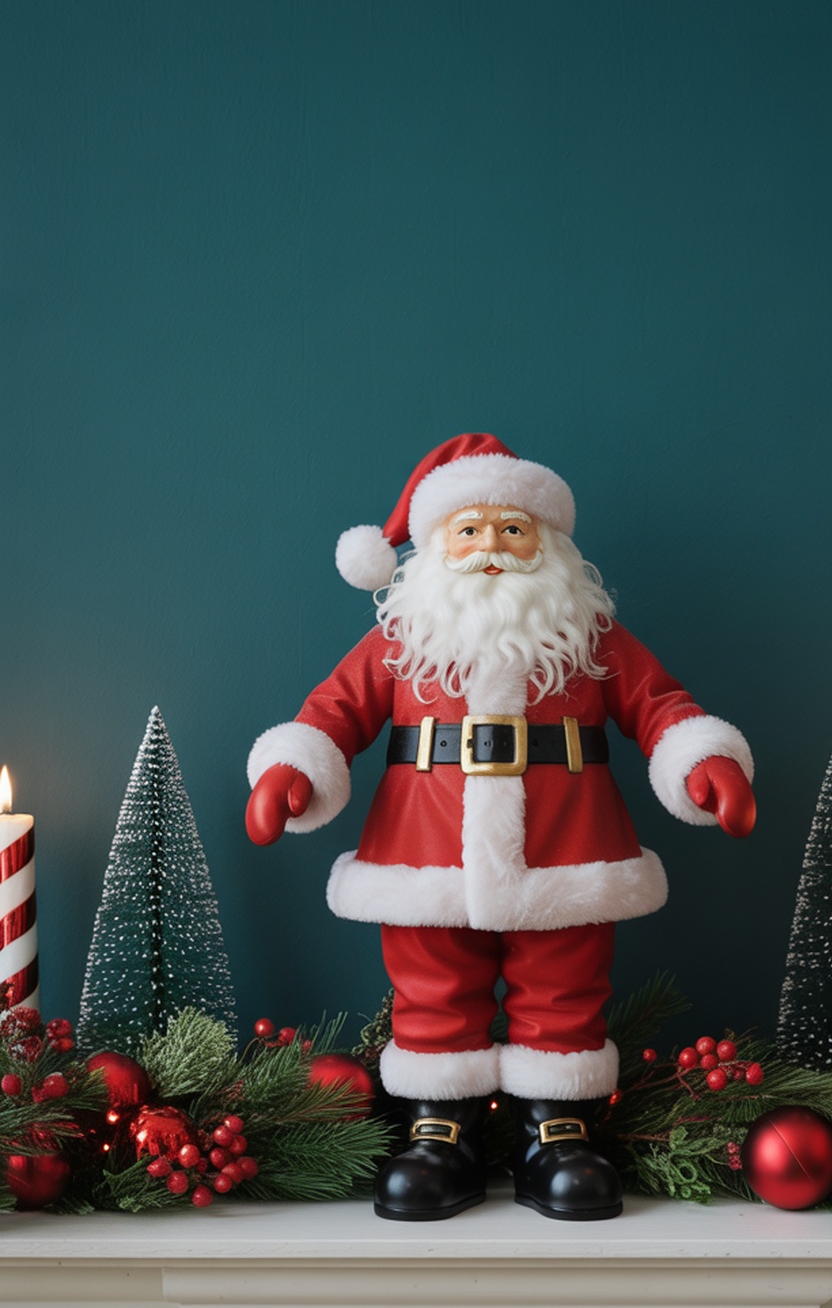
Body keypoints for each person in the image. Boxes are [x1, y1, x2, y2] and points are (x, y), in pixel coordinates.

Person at [246, 434, 755, 1222]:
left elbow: (661, 706)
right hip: (425, 855)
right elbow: (332, 712)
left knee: (565, 987)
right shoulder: (399, 641)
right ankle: (438, 1129)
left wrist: (702, 760)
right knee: (431, 986)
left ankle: (557, 1129)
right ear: (434, 547)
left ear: (548, 544)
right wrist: (293, 770)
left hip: (567, 852)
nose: (492, 548)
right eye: (471, 531)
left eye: (513, 531)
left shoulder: (590, 639)